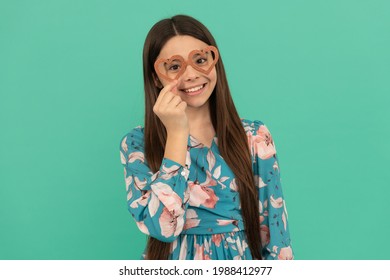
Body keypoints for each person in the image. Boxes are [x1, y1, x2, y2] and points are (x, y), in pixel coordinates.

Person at [119, 14, 293, 260]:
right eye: (174, 66)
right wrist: (177, 133)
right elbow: (162, 228)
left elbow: (277, 239)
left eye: (200, 60)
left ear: (214, 62)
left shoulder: (254, 138)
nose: (190, 75)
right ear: (157, 77)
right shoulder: (137, 144)